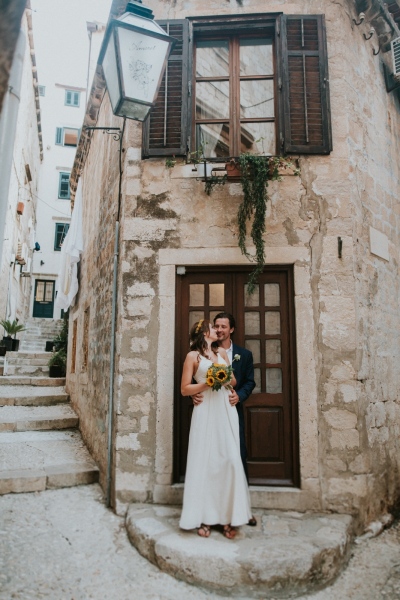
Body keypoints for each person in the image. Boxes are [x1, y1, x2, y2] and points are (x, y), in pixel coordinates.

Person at [179, 319, 252, 539]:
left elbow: (234, 381)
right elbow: (184, 389)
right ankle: (204, 517)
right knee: (205, 462)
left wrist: (225, 375)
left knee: (230, 460)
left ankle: (229, 517)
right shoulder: (193, 357)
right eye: (212, 328)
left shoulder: (220, 353)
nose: (216, 331)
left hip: (225, 410)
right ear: (203, 333)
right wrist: (206, 384)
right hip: (205, 411)